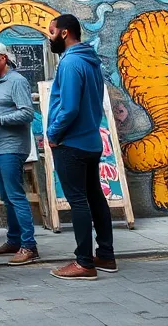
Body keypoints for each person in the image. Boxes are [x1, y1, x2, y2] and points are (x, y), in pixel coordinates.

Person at [46, 14, 117, 280]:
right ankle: (106, 255)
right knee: (95, 197)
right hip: (90, 141)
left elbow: (69, 108)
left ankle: (84, 263)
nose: (49, 37)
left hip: (71, 143)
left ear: (64, 33)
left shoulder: (70, 63)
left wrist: (53, 134)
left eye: (52, 32)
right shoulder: (90, 61)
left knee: (78, 200)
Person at [0, 43, 38, 265]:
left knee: (15, 196)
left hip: (12, 148)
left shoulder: (16, 81)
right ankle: (14, 240)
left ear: (3, 58)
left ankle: (29, 246)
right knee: (6, 196)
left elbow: (27, 113)